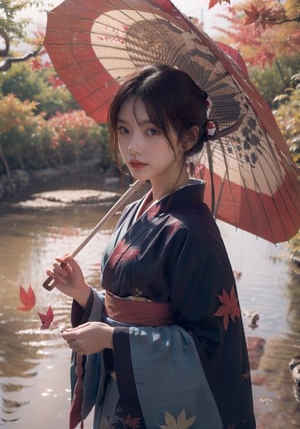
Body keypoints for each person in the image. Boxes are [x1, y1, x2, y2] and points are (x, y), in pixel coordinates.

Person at [47, 64, 256, 429]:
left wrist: (114, 338)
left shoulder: (193, 231)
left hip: (156, 410)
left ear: (190, 137)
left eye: (152, 130)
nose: (133, 145)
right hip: (124, 393)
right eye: (125, 129)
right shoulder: (133, 210)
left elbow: (209, 345)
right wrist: (83, 294)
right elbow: (126, 308)